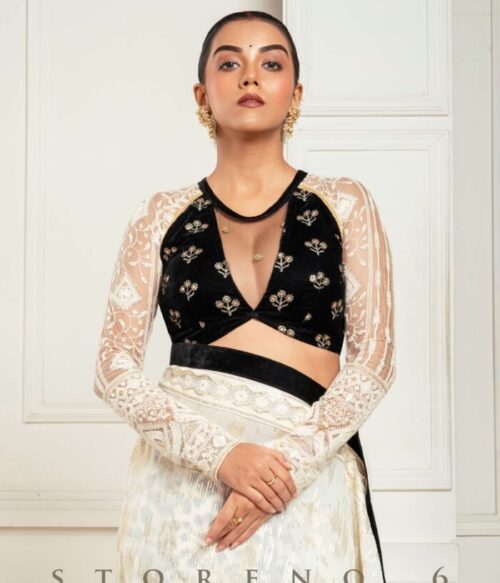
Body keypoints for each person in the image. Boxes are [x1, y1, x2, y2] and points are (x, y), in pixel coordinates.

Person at [92, 10, 396, 583]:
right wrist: (221, 456)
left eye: (271, 64)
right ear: (202, 93)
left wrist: (281, 473)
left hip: (306, 481)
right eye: (230, 63)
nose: (251, 75)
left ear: (295, 92)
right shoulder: (159, 214)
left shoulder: (346, 204)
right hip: (181, 488)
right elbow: (113, 369)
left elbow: (374, 361)